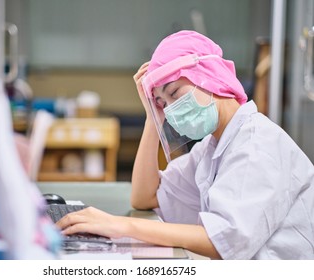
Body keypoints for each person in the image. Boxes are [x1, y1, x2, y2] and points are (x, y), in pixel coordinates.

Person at [56, 30, 314, 259]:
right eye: (163, 103)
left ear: (210, 77)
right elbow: (144, 197)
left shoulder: (257, 145)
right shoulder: (213, 147)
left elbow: (222, 243)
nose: (170, 110)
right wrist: (152, 118)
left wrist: (120, 226)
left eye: (175, 93)